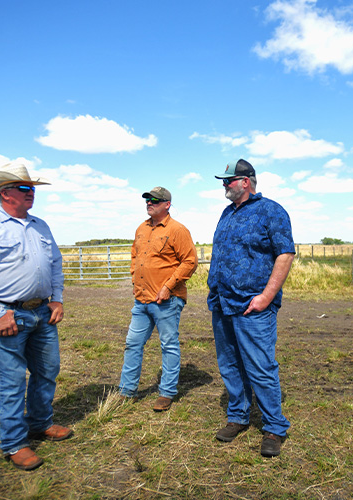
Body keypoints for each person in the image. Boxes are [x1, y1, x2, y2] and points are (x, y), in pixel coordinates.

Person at [0, 163, 72, 471]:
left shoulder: (40, 225)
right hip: (8, 314)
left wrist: (57, 298)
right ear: (5, 193)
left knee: (48, 369)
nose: (32, 193)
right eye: (25, 188)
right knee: (11, 380)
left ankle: (40, 422)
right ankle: (14, 443)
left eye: (33, 188)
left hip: (42, 311)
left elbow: (55, 264)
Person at [207, 159, 295, 458]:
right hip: (222, 303)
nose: (224, 185)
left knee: (260, 368)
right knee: (230, 364)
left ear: (246, 182)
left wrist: (266, 297)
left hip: (252, 306)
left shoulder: (271, 210)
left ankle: (274, 427)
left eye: (228, 180)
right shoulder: (226, 213)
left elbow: (285, 255)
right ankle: (238, 416)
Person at [118, 187, 198, 411]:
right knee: (132, 344)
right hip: (141, 300)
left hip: (166, 301)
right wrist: (135, 279)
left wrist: (168, 287)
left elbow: (189, 262)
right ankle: (127, 390)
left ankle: (167, 392)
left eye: (155, 200)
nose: (149, 203)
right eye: (147, 199)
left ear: (167, 205)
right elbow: (135, 257)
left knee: (169, 345)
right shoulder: (141, 229)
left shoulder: (177, 230)